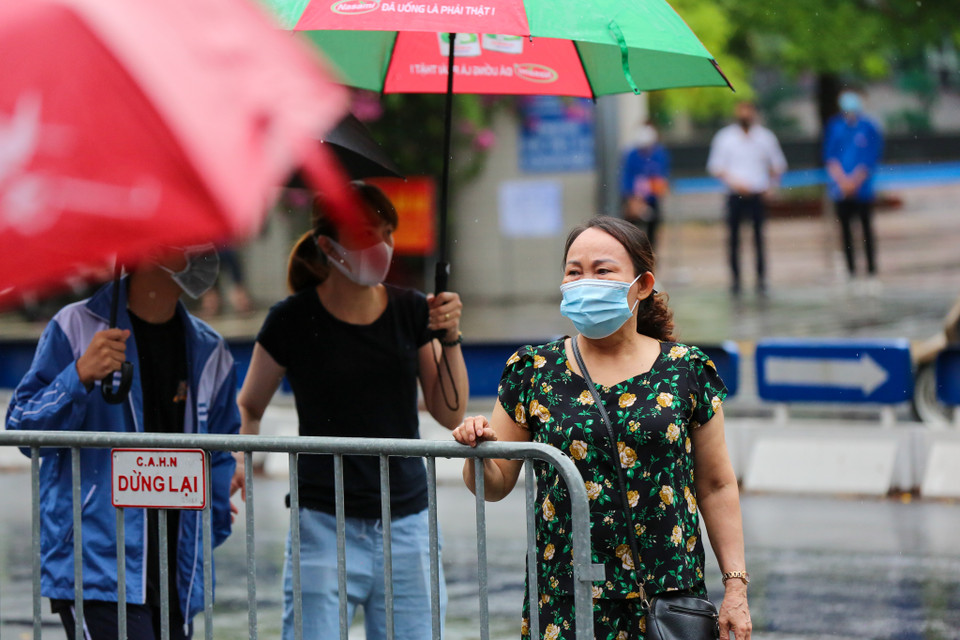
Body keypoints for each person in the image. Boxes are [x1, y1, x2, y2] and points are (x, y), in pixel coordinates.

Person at [453, 216, 751, 640]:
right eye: (574, 271)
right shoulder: (534, 370)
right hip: (565, 598)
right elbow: (496, 483)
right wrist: (477, 449)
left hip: (665, 599)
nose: (584, 282)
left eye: (602, 270)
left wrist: (735, 586)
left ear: (642, 285)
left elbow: (717, 484)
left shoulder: (686, 368)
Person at [231, 181, 469, 640]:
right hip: (321, 523)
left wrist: (450, 336)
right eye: (365, 232)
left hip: (406, 524)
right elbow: (250, 403)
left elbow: (449, 411)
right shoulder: (291, 319)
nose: (379, 245)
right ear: (327, 245)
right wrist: (240, 455)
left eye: (386, 231)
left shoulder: (411, 310)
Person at [5, 246, 240, 640]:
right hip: (97, 566)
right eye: (189, 240)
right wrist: (77, 375)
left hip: (175, 573)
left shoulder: (210, 349)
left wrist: (206, 526)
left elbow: (218, 453)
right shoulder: (75, 326)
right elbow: (22, 427)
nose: (205, 251)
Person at [707, 101, 787, 296]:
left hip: (758, 194)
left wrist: (771, 186)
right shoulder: (725, 137)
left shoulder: (765, 137)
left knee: (759, 237)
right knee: (733, 239)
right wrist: (735, 182)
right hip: (735, 194)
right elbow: (716, 167)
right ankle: (735, 280)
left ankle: (761, 278)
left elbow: (777, 164)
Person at [823, 89, 884, 291]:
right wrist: (842, 180)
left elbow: (871, 158)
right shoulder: (835, 126)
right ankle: (851, 272)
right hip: (840, 190)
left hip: (862, 190)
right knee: (846, 232)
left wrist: (855, 181)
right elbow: (830, 157)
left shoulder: (869, 127)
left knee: (866, 230)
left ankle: (871, 271)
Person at [619, 122, 670, 250]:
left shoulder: (659, 154)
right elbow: (626, 177)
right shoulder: (631, 155)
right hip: (633, 199)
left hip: (652, 199)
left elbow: (661, 177)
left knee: (652, 230)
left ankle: (650, 255)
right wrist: (633, 198)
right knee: (631, 232)